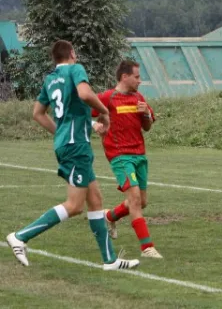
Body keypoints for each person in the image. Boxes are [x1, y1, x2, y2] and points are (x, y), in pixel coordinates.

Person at [6, 40, 139, 270]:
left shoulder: (50, 78)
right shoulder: (75, 69)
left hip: (71, 143)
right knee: (75, 205)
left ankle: (110, 260)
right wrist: (106, 111)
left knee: (95, 199)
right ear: (72, 54)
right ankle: (20, 236)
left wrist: (63, 132)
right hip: (75, 147)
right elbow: (85, 93)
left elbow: (38, 113)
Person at [91, 60, 162, 259]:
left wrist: (146, 114)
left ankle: (109, 216)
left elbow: (147, 127)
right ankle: (147, 247)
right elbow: (81, 112)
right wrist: (93, 124)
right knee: (135, 199)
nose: (140, 81)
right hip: (120, 156)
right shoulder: (107, 97)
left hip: (140, 154)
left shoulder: (139, 97)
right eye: (137, 77)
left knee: (142, 201)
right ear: (124, 77)